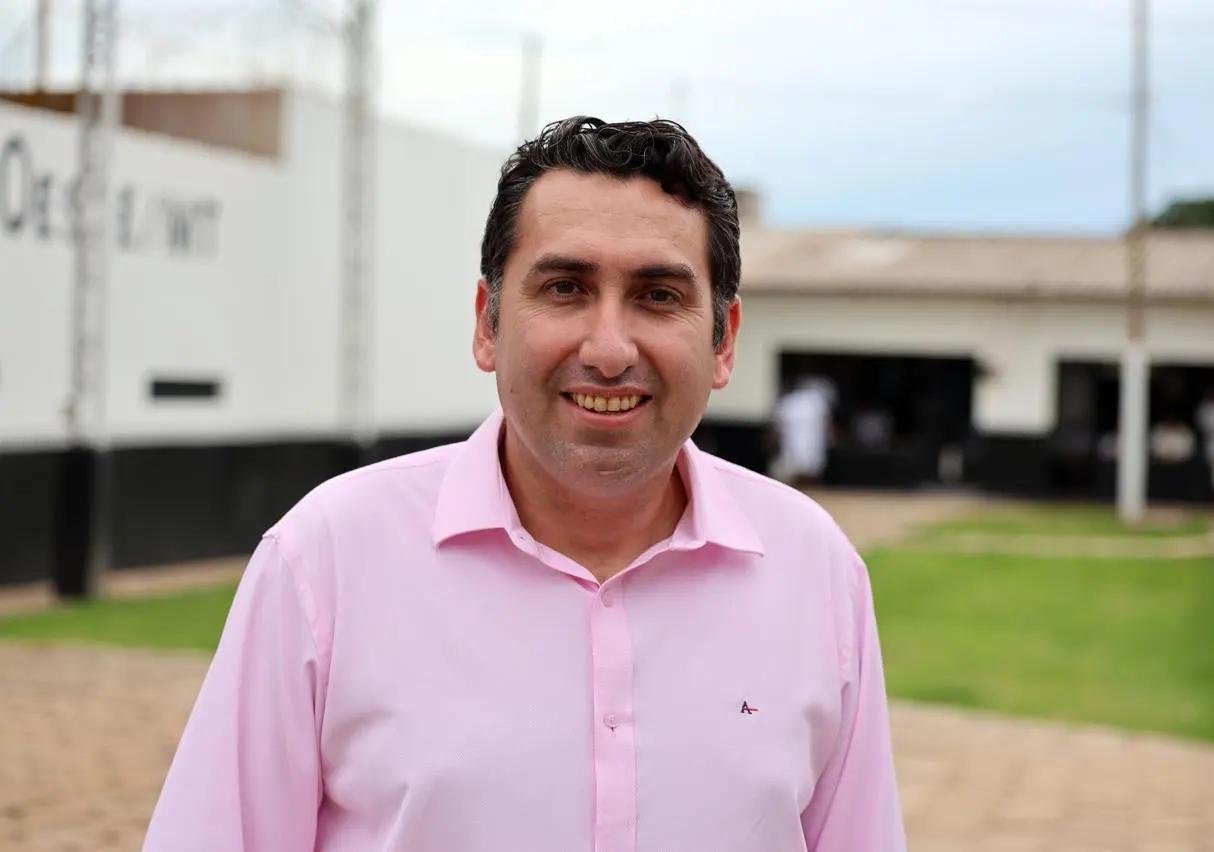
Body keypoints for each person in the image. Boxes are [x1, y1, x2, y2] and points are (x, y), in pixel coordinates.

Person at [142, 116, 906, 852]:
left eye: (659, 295)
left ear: (724, 341)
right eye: (566, 288)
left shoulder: (816, 572)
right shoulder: (326, 562)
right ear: (487, 323)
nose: (609, 350)